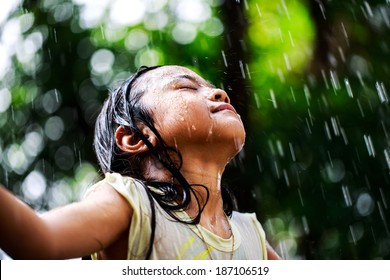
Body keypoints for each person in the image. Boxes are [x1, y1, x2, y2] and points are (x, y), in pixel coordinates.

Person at [0, 65, 280, 260]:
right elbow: (40, 243)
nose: (220, 92)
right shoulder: (134, 204)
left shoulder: (251, 235)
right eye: (185, 86)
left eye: (212, 87)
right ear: (135, 138)